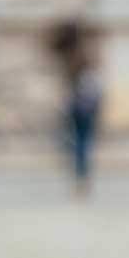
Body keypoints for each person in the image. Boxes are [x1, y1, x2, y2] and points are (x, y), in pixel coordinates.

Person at [45, 19, 102, 197]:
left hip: (75, 103)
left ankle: (80, 177)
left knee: (78, 140)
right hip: (87, 103)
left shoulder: (68, 56)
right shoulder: (85, 54)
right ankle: (82, 176)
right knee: (83, 140)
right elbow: (94, 80)